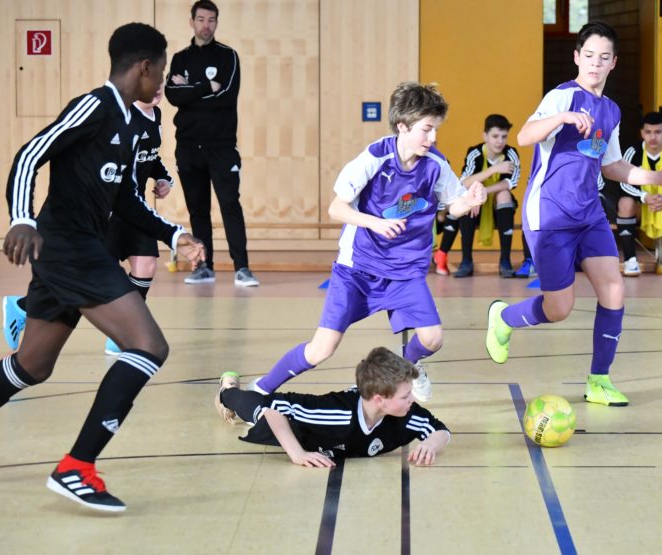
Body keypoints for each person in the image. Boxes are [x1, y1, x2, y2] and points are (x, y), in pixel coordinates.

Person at [0, 23, 206, 512]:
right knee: (149, 345)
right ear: (143, 67)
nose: (164, 80)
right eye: (161, 70)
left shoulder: (136, 125)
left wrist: (174, 233)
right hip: (68, 247)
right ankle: (78, 467)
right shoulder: (94, 105)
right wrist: (22, 219)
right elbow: (30, 153)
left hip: (76, 249)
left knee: (32, 365)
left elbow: (128, 200)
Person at [485, 22, 662, 407]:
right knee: (559, 308)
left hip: (589, 212)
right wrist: (560, 119)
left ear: (613, 63)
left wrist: (655, 177)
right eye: (589, 56)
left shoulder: (610, 110)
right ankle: (504, 318)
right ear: (577, 57)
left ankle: (599, 380)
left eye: (604, 58)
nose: (595, 64)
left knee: (613, 288)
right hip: (551, 213)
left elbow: (613, 166)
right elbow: (525, 136)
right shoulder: (562, 96)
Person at [248, 82, 487, 402]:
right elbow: (336, 208)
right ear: (403, 126)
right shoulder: (374, 159)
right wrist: (376, 223)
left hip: (406, 268)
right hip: (359, 267)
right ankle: (260, 388)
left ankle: (408, 366)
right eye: (427, 130)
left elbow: (453, 205)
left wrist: (470, 200)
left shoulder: (435, 164)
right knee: (322, 349)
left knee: (432, 338)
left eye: (436, 130)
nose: (433, 138)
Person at [2, 86, 175, 355]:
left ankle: (122, 335)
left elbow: (149, 158)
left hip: (134, 207)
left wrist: (163, 177)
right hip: (108, 211)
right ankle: (23, 306)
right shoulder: (120, 117)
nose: (156, 90)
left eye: (161, 84)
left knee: (146, 265)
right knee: (87, 284)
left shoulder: (156, 117)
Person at [216, 347, 450, 467]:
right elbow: (274, 408)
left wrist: (430, 444)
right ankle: (227, 390)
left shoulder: (406, 414)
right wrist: (297, 454)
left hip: (354, 416)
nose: (412, 400)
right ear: (380, 399)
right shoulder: (333, 412)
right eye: (406, 395)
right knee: (256, 411)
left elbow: (440, 430)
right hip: (300, 433)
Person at [164, 0, 258, 287]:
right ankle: (204, 266)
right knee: (198, 209)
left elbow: (226, 96)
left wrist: (189, 90)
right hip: (189, 146)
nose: (206, 25)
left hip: (222, 146)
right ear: (191, 21)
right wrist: (206, 88)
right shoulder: (180, 58)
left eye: (212, 20)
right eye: (201, 19)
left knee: (230, 204)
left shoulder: (228, 57)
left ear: (217, 23)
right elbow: (171, 95)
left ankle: (242, 268)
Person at [433, 114, 521, 278]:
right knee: (467, 199)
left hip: (495, 209)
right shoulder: (475, 153)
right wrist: (493, 170)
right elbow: (464, 183)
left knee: (504, 195)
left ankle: (505, 261)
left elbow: (511, 183)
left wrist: (481, 193)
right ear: (485, 136)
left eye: (504, 137)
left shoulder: (511, 154)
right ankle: (466, 261)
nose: (499, 141)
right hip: (475, 210)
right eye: (495, 136)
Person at [614, 111, 662, 276]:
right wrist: (644, 197)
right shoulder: (632, 151)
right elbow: (623, 183)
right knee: (625, 203)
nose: (653, 137)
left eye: (658, 132)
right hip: (641, 207)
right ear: (642, 133)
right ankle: (630, 260)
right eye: (648, 132)